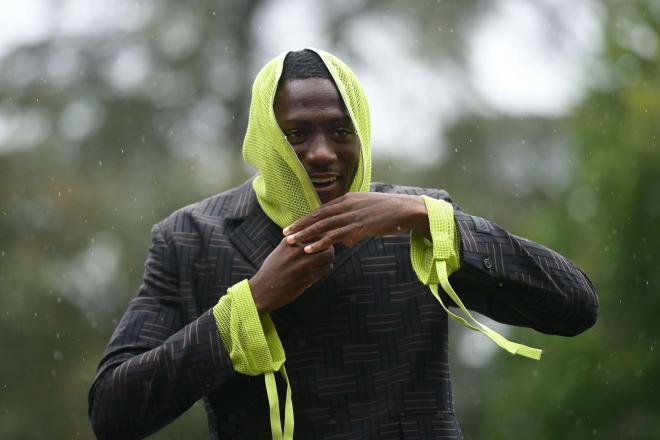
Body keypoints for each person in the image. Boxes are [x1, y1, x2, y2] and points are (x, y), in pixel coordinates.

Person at [88, 49, 598, 439]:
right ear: (267, 138)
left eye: (340, 131)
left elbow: (574, 306)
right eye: (297, 134)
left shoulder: (419, 222)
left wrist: (425, 216)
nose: (323, 153)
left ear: (363, 134)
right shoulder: (193, 238)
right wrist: (251, 302)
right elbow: (113, 411)